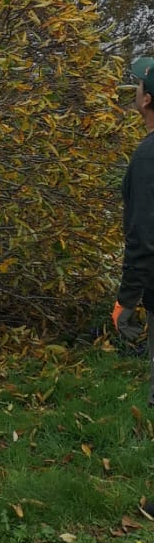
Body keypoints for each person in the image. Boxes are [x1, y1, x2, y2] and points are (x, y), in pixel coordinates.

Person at [115, 55, 154, 406]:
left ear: (147, 99)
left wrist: (126, 301)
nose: (136, 89)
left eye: (139, 84)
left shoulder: (147, 158)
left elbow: (143, 238)